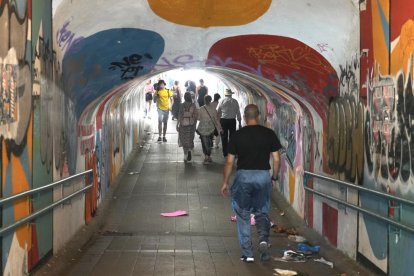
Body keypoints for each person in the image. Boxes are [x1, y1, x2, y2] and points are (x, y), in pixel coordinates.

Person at [220, 104, 281, 263]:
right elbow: (276, 159)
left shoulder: (238, 135)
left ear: (246, 117)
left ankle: (248, 254)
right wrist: (273, 177)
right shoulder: (269, 134)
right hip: (262, 176)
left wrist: (225, 182)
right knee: (262, 212)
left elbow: (229, 162)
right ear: (258, 116)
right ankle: (263, 239)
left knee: (243, 214)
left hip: (244, 177)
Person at [196, 95, 222, 164]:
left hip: (202, 128)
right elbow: (216, 120)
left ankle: (206, 156)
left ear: (205, 100)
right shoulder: (213, 109)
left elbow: (198, 118)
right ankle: (208, 156)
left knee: (204, 143)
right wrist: (220, 127)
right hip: (211, 128)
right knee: (210, 143)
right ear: (211, 100)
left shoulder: (201, 109)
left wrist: (203, 119)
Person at [217, 89, 241, 157]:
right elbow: (238, 112)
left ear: (225, 94)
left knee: (224, 137)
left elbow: (218, 111)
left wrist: (218, 121)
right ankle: (232, 152)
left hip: (223, 120)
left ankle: (225, 152)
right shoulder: (235, 101)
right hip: (232, 121)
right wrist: (239, 122)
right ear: (231, 94)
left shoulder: (222, 101)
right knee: (232, 137)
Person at [176, 92, 198, 162]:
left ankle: (185, 155)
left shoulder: (182, 105)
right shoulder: (193, 105)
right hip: (191, 124)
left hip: (183, 124)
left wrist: (177, 124)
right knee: (190, 139)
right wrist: (195, 125)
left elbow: (179, 115)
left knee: (183, 139)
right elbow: (195, 116)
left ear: (185, 97)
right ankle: (189, 150)